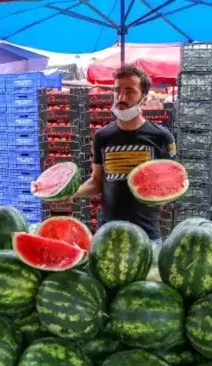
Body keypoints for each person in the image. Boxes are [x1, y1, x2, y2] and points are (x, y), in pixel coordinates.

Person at [72, 65, 176, 244]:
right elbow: (97, 182)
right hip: (108, 232)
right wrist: (72, 193)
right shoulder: (101, 136)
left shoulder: (161, 136)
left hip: (147, 234)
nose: (121, 97)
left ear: (143, 97)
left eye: (129, 91)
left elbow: (172, 183)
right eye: (117, 90)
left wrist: (161, 198)